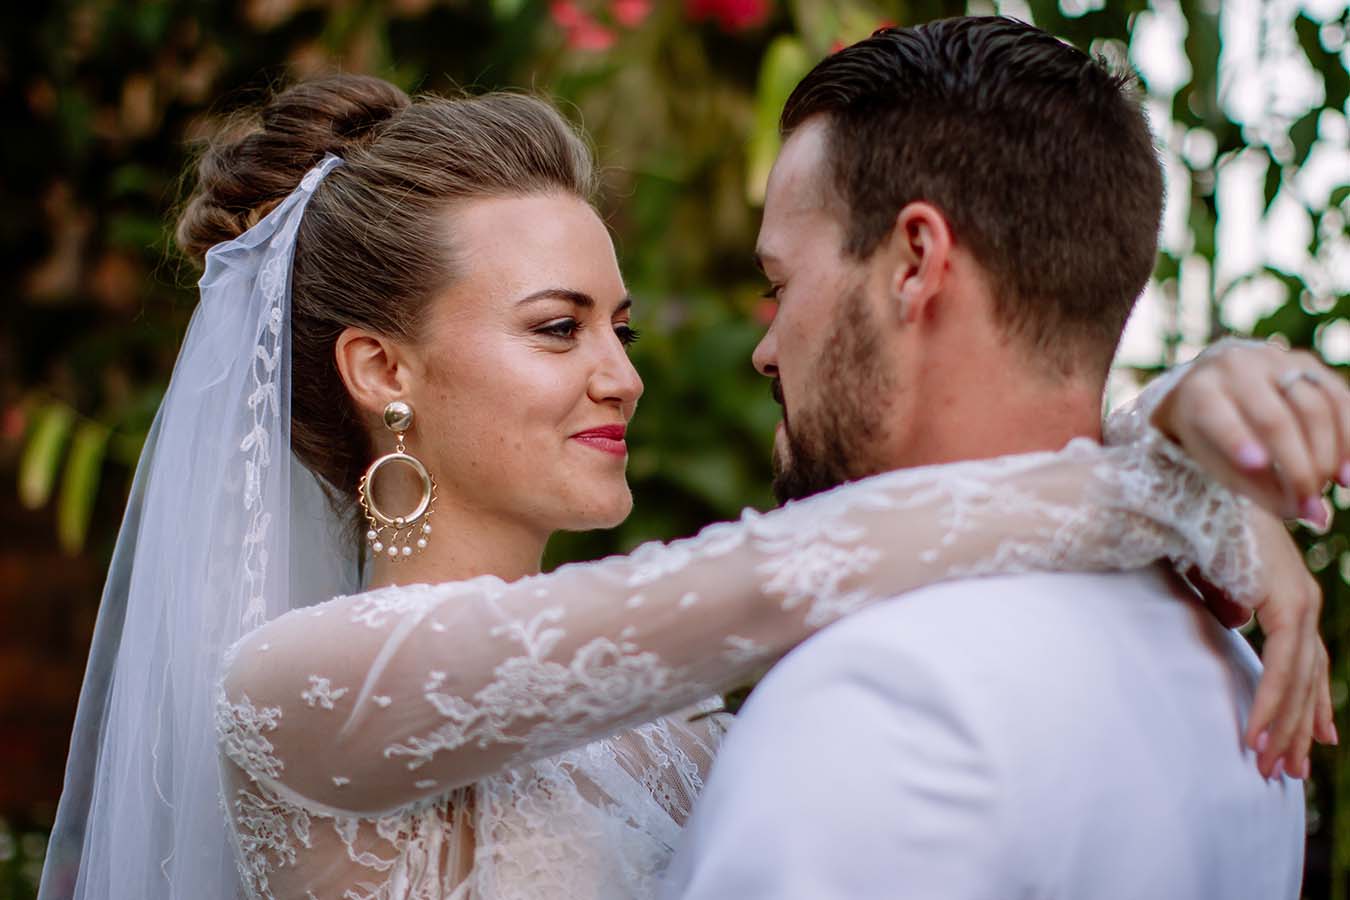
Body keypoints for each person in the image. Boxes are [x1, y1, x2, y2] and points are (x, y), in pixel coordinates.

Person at [36, 71, 1341, 900]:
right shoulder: (289, 693)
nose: (621, 377)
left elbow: (886, 542)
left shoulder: (676, 737)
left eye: (622, 331)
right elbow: (772, 577)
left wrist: (1184, 455)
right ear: (383, 369)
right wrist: (1158, 479)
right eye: (558, 329)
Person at [662, 17, 1337, 900]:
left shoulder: (880, 699)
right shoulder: (1239, 675)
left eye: (779, 286)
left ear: (914, 263)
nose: (767, 349)